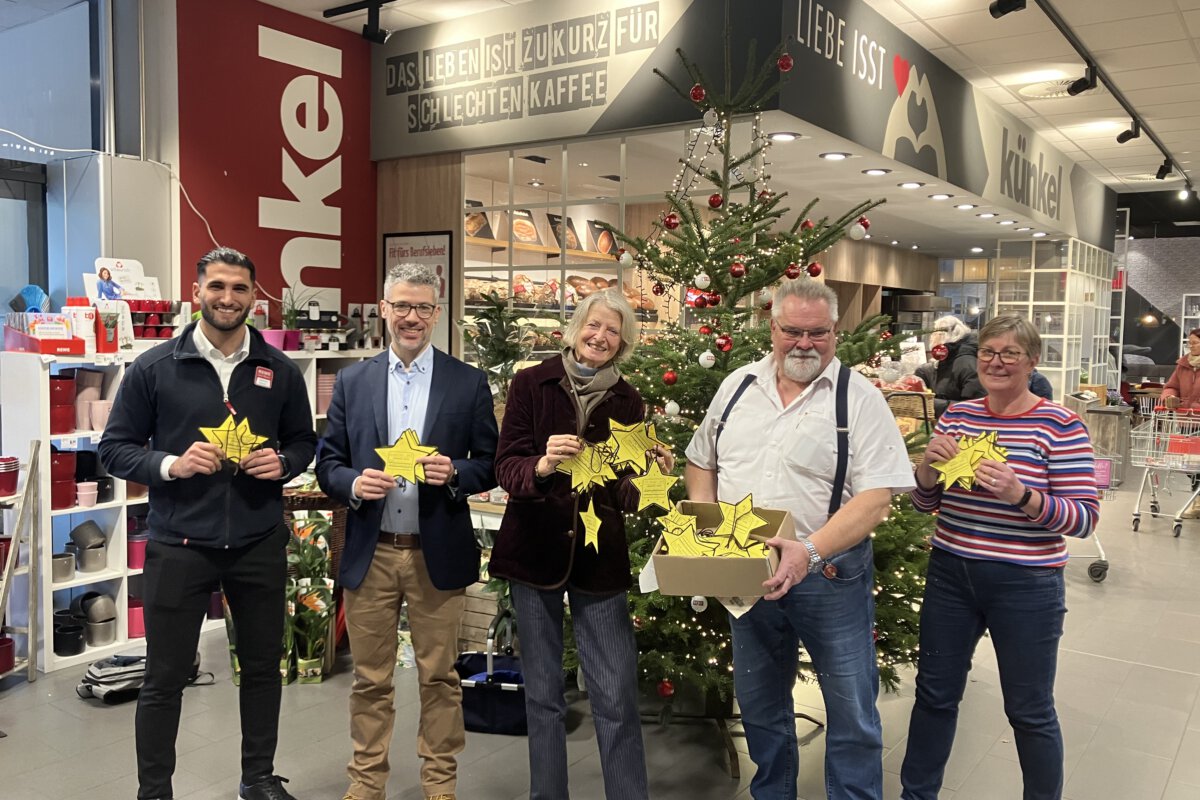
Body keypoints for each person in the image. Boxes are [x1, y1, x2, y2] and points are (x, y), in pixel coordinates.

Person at [99, 247, 316, 800]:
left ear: (254, 296)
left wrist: (285, 464)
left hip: (257, 540)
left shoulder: (280, 370)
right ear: (197, 292)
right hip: (179, 544)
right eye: (216, 287)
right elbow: (115, 450)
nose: (228, 298)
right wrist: (170, 465)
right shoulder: (154, 368)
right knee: (164, 677)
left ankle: (258, 778)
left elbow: (302, 442)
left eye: (240, 288)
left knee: (264, 668)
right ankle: (155, 791)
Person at [685, 278, 915, 800]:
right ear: (772, 328)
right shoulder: (738, 386)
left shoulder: (859, 400)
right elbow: (703, 459)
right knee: (762, 705)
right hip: (749, 573)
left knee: (852, 709)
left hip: (827, 574)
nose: (805, 344)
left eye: (819, 333)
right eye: (793, 332)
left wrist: (809, 551)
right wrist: (707, 526)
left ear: (835, 332)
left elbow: (876, 497)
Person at [316, 263, 498, 800]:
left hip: (435, 554)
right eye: (401, 306)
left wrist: (457, 474)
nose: (411, 317)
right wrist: (353, 481)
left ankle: (439, 784)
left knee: (439, 678)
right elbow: (329, 463)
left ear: (436, 314)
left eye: (422, 307)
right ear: (385, 309)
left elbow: (490, 461)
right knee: (370, 680)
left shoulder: (467, 382)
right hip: (371, 554)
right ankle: (366, 784)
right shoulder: (354, 379)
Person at [900, 314, 1100, 800]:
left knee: (1029, 710)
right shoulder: (958, 418)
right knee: (934, 696)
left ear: (1032, 362)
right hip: (951, 574)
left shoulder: (1060, 423)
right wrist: (927, 470)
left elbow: (1083, 519)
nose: (996, 362)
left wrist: (1022, 495)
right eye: (989, 352)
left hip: (1026, 584)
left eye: (1011, 353)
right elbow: (927, 503)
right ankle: (916, 794)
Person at [490, 289, 671, 800]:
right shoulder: (531, 384)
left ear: (624, 342)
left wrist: (652, 479)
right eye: (594, 325)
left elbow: (626, 495)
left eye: (613, 330)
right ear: (575, 329)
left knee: (615, 697)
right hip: (533, 555)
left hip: (599, 561)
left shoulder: (628, 401)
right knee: (544, 697)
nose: (600, 337)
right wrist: (543, 466)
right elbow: (506, 468)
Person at [1163, 327, 1200, 515]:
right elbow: (1171, 386)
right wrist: (1170, 396)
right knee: (1190, 463)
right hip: (1186, 420)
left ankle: (1198, 502)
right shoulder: (1183, 365)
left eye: (1195, 342)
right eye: (1189, 343)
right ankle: (1198, 498)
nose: (1191, 346)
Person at [928, 314, 984, 417]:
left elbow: (974, 407)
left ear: (943, 336)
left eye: (934, 333)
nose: (931, 338)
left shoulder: (966, 363)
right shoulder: (949, 360)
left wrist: (931, 405)